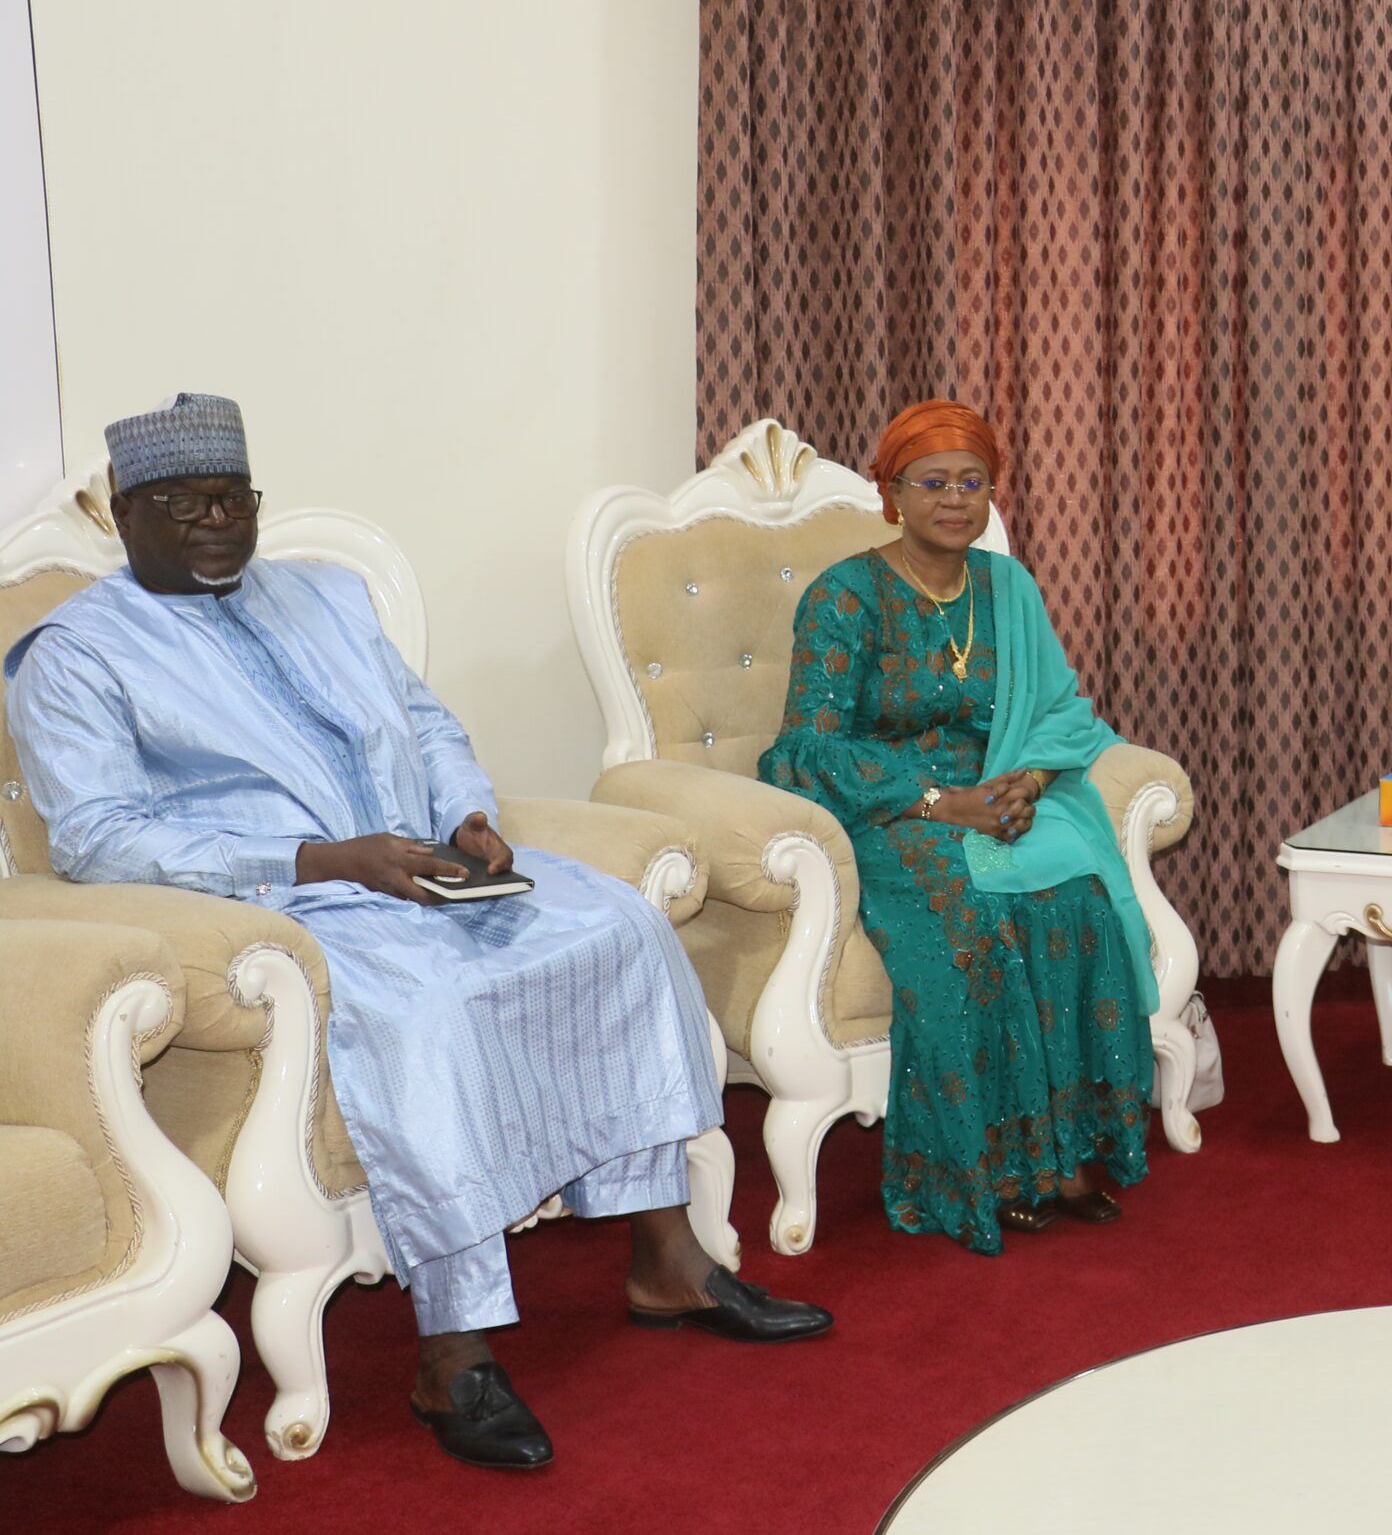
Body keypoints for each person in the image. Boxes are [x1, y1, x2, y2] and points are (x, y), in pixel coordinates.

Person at [4, 395, 831, 1472]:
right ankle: (454, 1350)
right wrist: (325, 861)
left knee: (623, 929)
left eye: (231, 501)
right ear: (126, 514)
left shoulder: (324, 597)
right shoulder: (74, 653)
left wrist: (466, 815)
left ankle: (667, 1256)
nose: (215, 525)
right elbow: (99, 838)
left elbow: (429, 722)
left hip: (426, 871)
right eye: (182, 506)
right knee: (428, 1013)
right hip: (283, 908)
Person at [759, 399, 1155, 1253]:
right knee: (970, 920)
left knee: (1078, 898)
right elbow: (806, 747)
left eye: (972, 483)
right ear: (892, 493)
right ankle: (990, 1167)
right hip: (891, 810)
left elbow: (1058, 707)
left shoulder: (1007, 587)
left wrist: (1034, 779)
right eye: (932, 482)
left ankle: (1071, 1152)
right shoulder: (845, 597)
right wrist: (941, 803)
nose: (955, 499)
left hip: (999, 789)